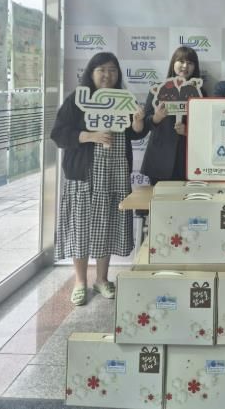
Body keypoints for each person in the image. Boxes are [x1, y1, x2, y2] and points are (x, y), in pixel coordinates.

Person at [51, 52, 145, 305]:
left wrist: (138, 122)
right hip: (83, 175)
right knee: (80, 227)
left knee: (108, 225)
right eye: (101, 69)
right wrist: (89, 136)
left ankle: (102, 279)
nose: (107, 75)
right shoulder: (77, 100)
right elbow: (58, 133)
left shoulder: (124, 100)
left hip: (115, 173)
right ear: (91, 73)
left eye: (112, 70)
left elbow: (135, 134)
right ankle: (80, 281)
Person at [140, 46, 202, 185]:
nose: (185, 66)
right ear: (173, 63)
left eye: (190, 63)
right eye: (181, 61)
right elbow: (144, 124)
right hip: (159, 159)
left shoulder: (200, 91)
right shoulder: (159, 89)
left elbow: (204, 127)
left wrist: (188, 131)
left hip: (188, 160)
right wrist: (156, 118)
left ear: (195, 67)